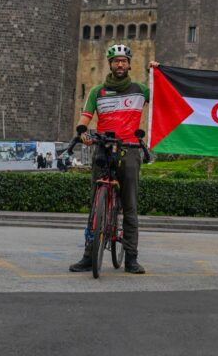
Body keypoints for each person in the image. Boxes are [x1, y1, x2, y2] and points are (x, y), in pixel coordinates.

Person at [69, 44, 158, 274]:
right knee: (93, 205)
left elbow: (161, 93)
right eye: (116, 61)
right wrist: (82, 133)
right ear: (110, 64)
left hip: (129, 149)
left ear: (129, 64)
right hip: (103, 149)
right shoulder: (97, 92)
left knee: (129, 206)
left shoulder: (139, 90)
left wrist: (156, 74)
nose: (120, 64)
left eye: (124, 61)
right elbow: (85, 117)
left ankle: (131, 258)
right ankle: (89, 255)